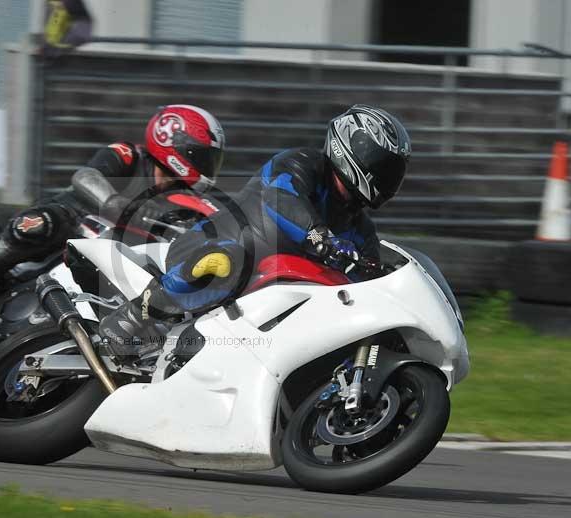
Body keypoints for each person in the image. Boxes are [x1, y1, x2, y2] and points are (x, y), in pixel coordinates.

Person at [98, 104, 411, 359]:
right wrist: (322, 240)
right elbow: (283, 201)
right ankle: (133, 317)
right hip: (208, 250)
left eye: (394, 169)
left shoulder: (361, 229)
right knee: (226, 261)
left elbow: (366, 285)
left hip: (263, 299)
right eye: (382, 164)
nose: (388, 177)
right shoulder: (303, 163)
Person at [0, 104, 226, 306]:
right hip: (71, 218)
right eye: (200, 155)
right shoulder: (127, 154)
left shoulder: (181, 197)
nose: (206, 166)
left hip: (112, 252)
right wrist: (116, 203)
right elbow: (85, 176)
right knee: (41, 224)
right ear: (170, 139)